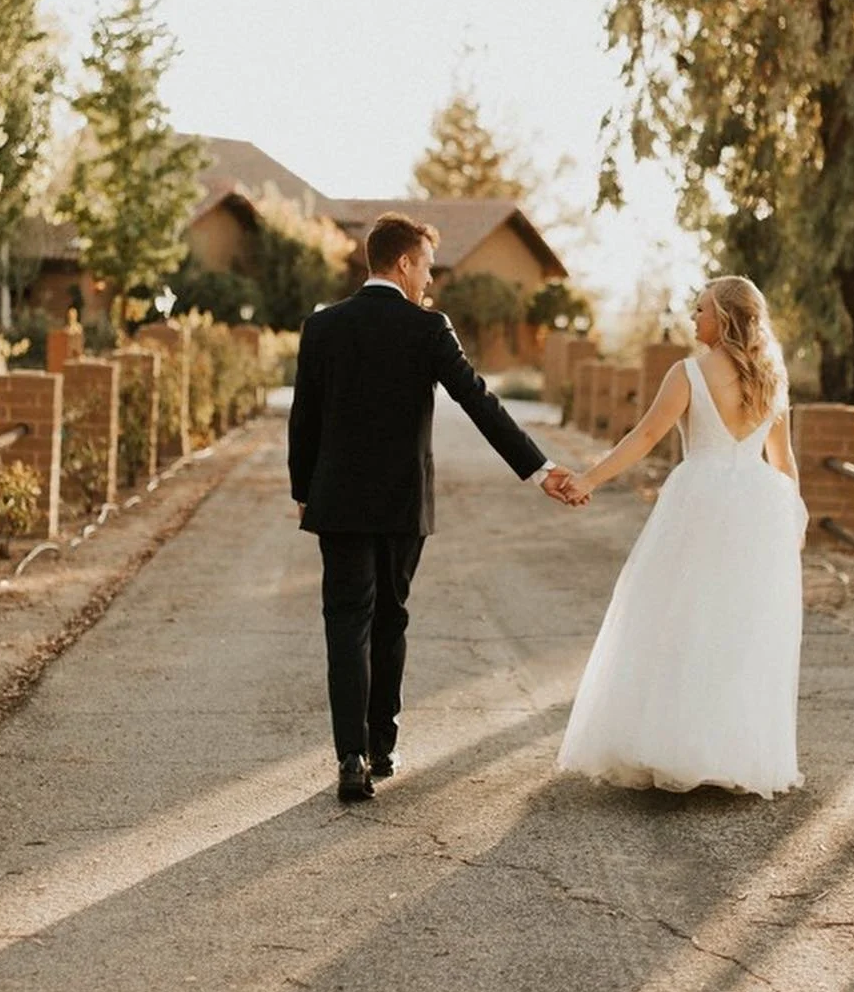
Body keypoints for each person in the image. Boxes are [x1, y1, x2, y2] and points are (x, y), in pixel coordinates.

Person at [289, 211, 582, 803]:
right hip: (402, 504)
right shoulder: (428, 329)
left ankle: (350, 758)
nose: (429, 280)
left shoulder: (322, 327)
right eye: (425, 266)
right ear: (402, 263)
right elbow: (479, 402)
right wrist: (539, 469)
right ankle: (381, 744)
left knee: (346, 625)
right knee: (391, 616)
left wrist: (304, 491)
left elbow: (305, 420)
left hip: (338, 503)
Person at [557, 276, 807, 795]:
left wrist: (589, 479)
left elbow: (645, 435)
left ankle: (674, 745)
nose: (694, 319)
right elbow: (784, 463)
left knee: (680, 615)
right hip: (760, 508)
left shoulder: (689, 372)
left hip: (701, 499)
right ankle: (728, 751)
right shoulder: (771, 377)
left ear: (726, 317)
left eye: (701, 310)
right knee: (740, 627)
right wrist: (793, 518)